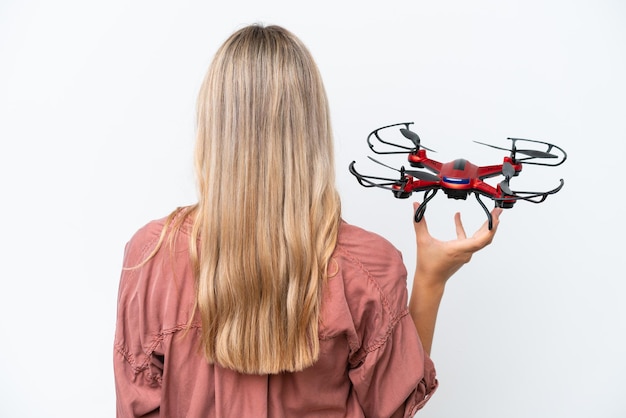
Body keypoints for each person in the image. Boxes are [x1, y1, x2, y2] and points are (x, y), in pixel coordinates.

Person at [113, 24, 502, 418]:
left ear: (213, 128)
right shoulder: (366, 267)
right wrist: (431, 280)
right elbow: (393, 406)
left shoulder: (151, 258)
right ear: (312, 130)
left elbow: (135, 407)